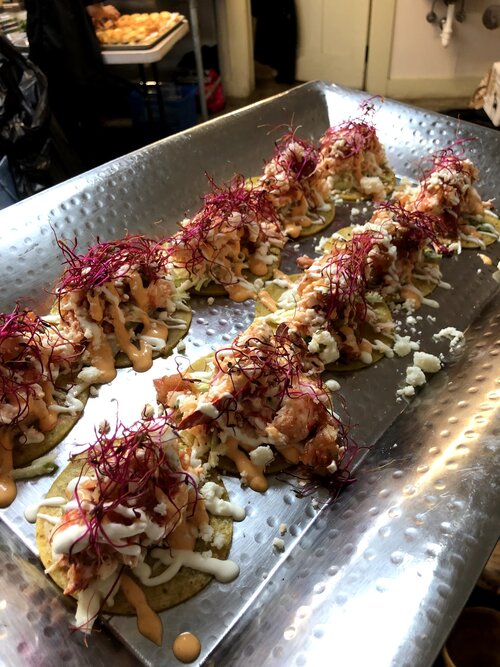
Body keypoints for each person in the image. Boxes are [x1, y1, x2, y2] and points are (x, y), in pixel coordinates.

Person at [25, 1, 134, 169]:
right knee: (87, 116)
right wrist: (105, 11)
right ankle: (97, 168)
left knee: (62, 119)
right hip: (71, 47)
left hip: (44, 48)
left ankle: (73, 167)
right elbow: (93, 9)